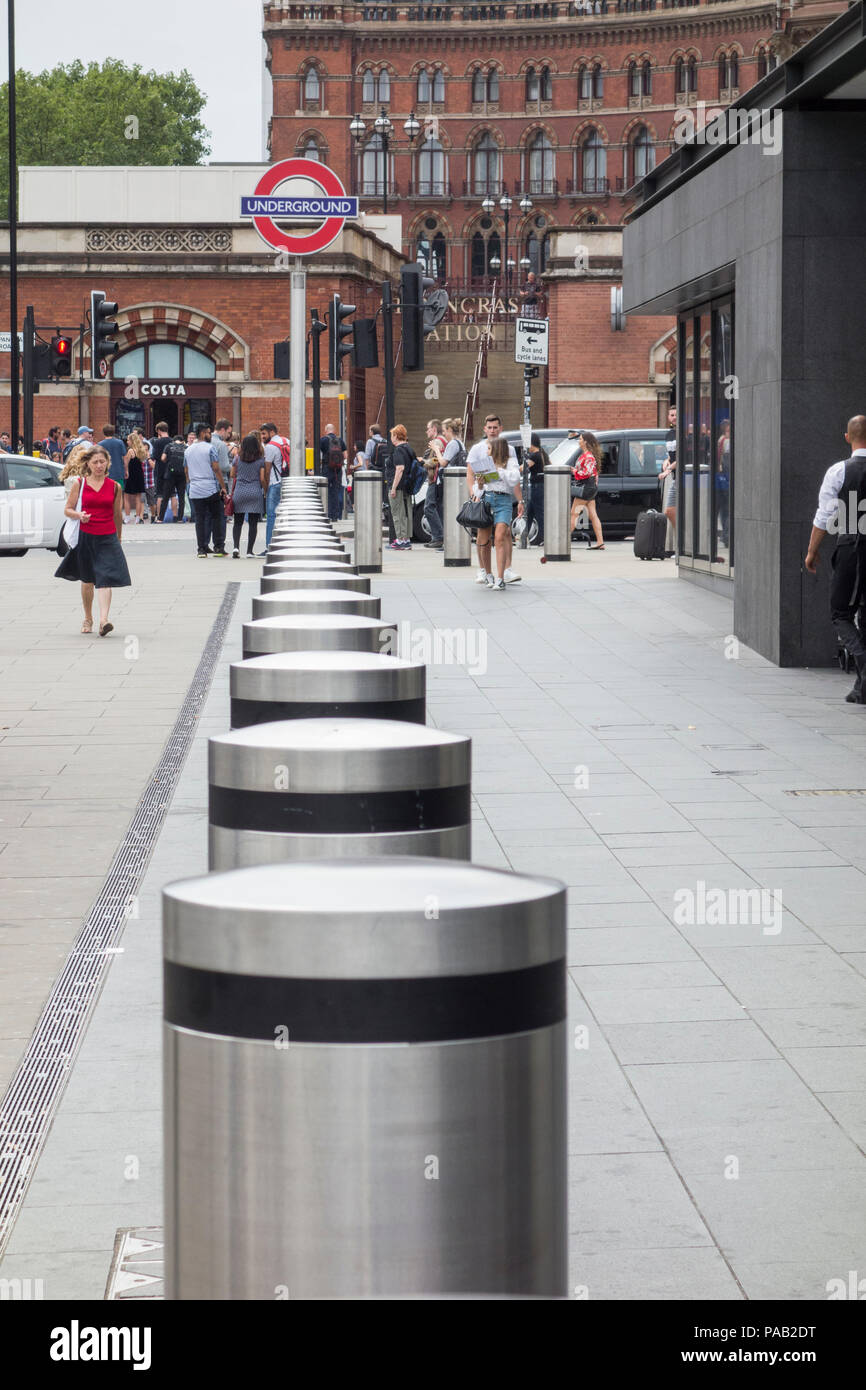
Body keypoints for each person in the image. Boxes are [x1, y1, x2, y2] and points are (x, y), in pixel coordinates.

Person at [805, 414, 866, 702]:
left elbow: (824, 517)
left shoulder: (838, 472)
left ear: (847, 437)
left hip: (851, 547)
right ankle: (862, 688)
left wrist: (812, 551)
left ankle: (863, 664)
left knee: (841, 612)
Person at [55, 443, 131, 636]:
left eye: (102, 462)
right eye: (95, 462)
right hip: (86, 537)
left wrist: (119, 538)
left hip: (107, 536)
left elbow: (117, 515)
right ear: (88, 463)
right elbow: (67, 509)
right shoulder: (79, 484)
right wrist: (79, 515)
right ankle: (88, 618)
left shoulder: (114, 487)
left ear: (107, 464)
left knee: (105, 578)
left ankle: (104, 621)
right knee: (88, 580)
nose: (99, 465)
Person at [466, 414, 522, 585]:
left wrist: (520, 500)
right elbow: (470, 472)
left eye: (495, 427)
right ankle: (484, 570)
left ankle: (506, 570)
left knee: (503, 534)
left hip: (503, 497)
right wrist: (474, 493)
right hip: (485, 496)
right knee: (483, 536)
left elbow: (515, 480)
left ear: (500, 428)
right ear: (485, 429)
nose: (492, 430)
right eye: (489, 427)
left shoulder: (509, 449)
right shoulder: (477, 448)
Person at [185, 423, 227, 557]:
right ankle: (218, 547)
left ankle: (201, 549)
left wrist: (190, 482)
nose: (210, 435)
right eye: (209, 433)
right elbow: (216, 468)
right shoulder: (210, 448)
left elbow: (186, 469)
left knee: (200, 519)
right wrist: (223, 486)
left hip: (195, 489)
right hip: (210, 487)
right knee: (217, 516)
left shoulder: (188, 450)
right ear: (203, 433)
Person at [229, 433, 266, 558]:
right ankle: (249, 551)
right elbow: (262, 478)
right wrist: (265, 489)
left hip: (240, 492)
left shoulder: (237, 458)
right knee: (253, 523)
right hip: (255, 492)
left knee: (238, 522)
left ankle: (235, 547)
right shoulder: (260, 460)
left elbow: (232, 474)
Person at [570, 431, 604, 549]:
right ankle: (600, 542)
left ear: (585, 442)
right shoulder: (585, 455)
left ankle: (562, 541)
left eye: (580, 439)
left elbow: (585, 474)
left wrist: (573, 471)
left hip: (585, 489)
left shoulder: (588, 457)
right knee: (593, 515)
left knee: (574, 514)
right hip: (590, 489)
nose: (579, 441)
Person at [261, 422, 290, 549]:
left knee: (271, 516)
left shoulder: (270, 446)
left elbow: (267, 470)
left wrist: (266, 488)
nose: (262, 437)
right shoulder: (286, 441)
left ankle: (270, 547)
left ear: (272, 432)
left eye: (264, 434)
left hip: (275, 483)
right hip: (287, 482)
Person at [387, 424, 416, 550]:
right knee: (406, 512)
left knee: (397, 513)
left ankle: (400, 540)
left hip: (398, 487)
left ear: (396, 436)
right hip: (407, 486)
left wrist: (393, 488)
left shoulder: (398, 450)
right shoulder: (408, 448)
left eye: (392, 435)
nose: (391, 438)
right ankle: (406, 539)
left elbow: (400, 468)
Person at [525, 432, 549, 546]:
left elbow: (524, 468)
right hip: (540, 486)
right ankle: (524, 536)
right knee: (530, 512)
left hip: (537, 487)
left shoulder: (534, 456)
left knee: (539, 513)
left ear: (531, 443)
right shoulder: (543, 453)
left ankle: (545, 537)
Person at [320, 422, 347, 522]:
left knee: (325, 491)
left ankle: (326, 513)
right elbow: (345, 456)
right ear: (334, 430)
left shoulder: (323, 440)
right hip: (338, 470)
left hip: (327, 468)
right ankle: (334, 516)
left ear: (326, 430)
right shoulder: (340, 440)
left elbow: (317, 454)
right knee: (335, 492)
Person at [160, 435, 188, 522]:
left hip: (170, 474)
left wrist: (168, 461)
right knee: (181, 497)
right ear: (182, 441)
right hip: (182, 474)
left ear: (174, 440)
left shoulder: (168, 446)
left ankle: (160, 518)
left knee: (166, 496)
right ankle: (179, 518)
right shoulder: (186, 448)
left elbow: (163, 458)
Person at [123, 430, 148, 523]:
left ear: (132, 441)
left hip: (131, 474)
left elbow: (126, 463)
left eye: (128, 440)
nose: (127, 442)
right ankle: (138, 518)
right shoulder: (141, 450)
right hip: (139, 474)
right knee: (138, 497)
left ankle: (127, 517)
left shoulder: (130, 450)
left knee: (126, 497)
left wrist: (126, 471)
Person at [660, 404, 677, 536]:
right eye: (672, 415)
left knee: (670, 511)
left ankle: (682, 540)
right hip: (676, 477)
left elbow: (684, 456)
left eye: (676, 415)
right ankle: (682, 541)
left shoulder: (684, 433)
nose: (674, 417)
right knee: (670, 511)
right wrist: (667, 461)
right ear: (668, 417)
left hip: (684, 477)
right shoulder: (669, 435)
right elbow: (672, 455)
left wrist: (668, 470)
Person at [150, 421, 172, 514]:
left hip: (160, 469)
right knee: (173, 494)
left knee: (159, 494)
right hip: (170, 469)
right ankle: (175, 516)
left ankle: (159, 516)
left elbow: (154, 456)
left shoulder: (157, 442)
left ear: (159, 430)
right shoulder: (172, 441)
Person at [100, 426, 126, 490]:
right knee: (119, 495)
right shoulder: (120, 443)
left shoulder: (100, 444)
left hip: (105, 473)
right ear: (113, 432)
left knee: (106, 494)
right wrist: (126, 470)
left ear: (103, 433)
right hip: (119, 472)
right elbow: (124, 457)